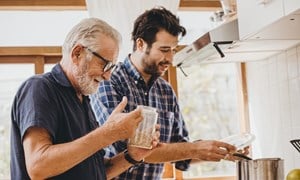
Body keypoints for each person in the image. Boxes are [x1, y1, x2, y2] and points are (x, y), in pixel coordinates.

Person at [90, 7, 245, 179]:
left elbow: (179, 151)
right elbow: (131, 151)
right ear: (140, 44)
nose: (170, 59)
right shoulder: (110, 82)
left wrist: (218, 150)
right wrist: (195, 149)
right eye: (164, 50)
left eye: (173, 50)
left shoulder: (165, 91)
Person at [10, 18, 159, 180]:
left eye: (112, 67)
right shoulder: (39, 88)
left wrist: (132, 156)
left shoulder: (83, 100)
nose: (108, 76)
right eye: (105, 65)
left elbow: (97, 171)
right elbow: (38, 167)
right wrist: (108, 133)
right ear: (77, 53)